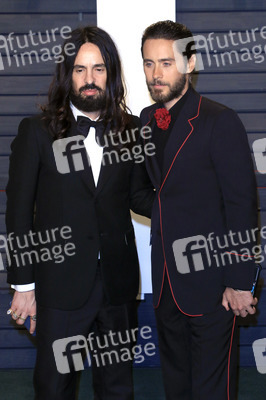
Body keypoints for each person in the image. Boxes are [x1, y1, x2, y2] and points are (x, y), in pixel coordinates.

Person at [5, 26, 154, 400]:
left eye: (99, 69)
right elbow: (18, 214)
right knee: (54, 388)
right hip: (59, 285)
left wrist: (187, 204)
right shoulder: (37, 132)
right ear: (67, 73)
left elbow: (138, 197)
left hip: (118, 284)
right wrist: (23, 286)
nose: (90, 80)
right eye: (80, 69)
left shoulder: (131, 129)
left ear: (112, 73)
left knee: (117, 388)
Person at [140, 20, 258, 400]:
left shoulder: (219, 120)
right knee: (176, 385)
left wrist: (240, 281)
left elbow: (242, 204)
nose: (156, 74)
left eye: (166, 63)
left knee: (211, 390)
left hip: (213, 286)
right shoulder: (145, 120)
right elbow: (150, 192)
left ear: (190, 64)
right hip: (165, 284)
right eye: (148, 64)